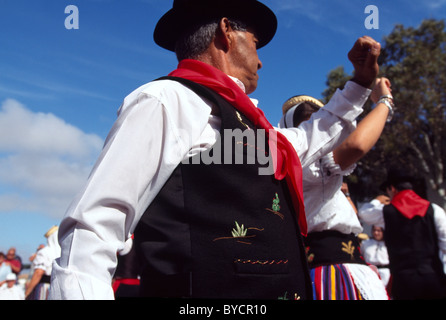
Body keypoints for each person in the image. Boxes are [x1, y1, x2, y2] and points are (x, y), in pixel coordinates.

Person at [49, 0, 381, 300]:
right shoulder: (167, 100)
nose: (261, 61)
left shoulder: (257, 129)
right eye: (255, 42)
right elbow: (94, 225)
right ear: (226, 31)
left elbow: (310, 139)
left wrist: (360, 85)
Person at [279, 78, 393, 300]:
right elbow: (356, 146)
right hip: (334, 272)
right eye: (310, 122)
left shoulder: (286, 162)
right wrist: (384, 101)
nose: (323, 129)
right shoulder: (311, 159)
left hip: (325, 266)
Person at [358, 169, 446, 300]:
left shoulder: (386, 212)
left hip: (403, 279)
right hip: (432, 275)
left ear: (392, 189)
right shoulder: (434, 210)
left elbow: (364, 213)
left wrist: (377, 200)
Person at [25, 226, 61, 300]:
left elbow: (39, 272)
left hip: (44, 288)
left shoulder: (44, 252)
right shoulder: (63, 253)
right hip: (59, 288)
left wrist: (27, 292)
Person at [360, 224, 391, 290]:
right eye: (374, 230)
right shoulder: (365, 243)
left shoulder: (388, 243)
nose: (376, 233)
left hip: (385, 271)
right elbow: (361, 255)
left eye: (378, 231)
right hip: (370, 271)